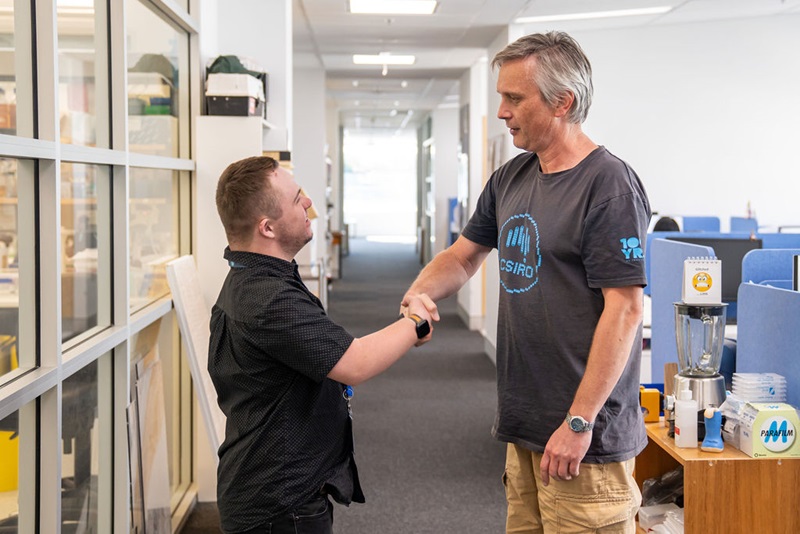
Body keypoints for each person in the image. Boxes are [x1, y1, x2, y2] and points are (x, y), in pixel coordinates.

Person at [402, 31, 651, 533]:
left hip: (585, 439)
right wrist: (421, 290)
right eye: (501, 97)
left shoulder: (608, 186)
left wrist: (579, 423)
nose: (501, 111)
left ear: (564, 101)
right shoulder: (512, 177)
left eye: (514, 98)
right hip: (527, 426)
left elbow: (624, 309)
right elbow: (464, 255)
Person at [209, 155, 439, 534]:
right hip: (279, 503)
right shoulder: (267, 298)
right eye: (297, 199)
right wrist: (415, 322)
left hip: (277, 487)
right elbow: (356, 362)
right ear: (266, 228)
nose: (309, 205)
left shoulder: (256, 277)